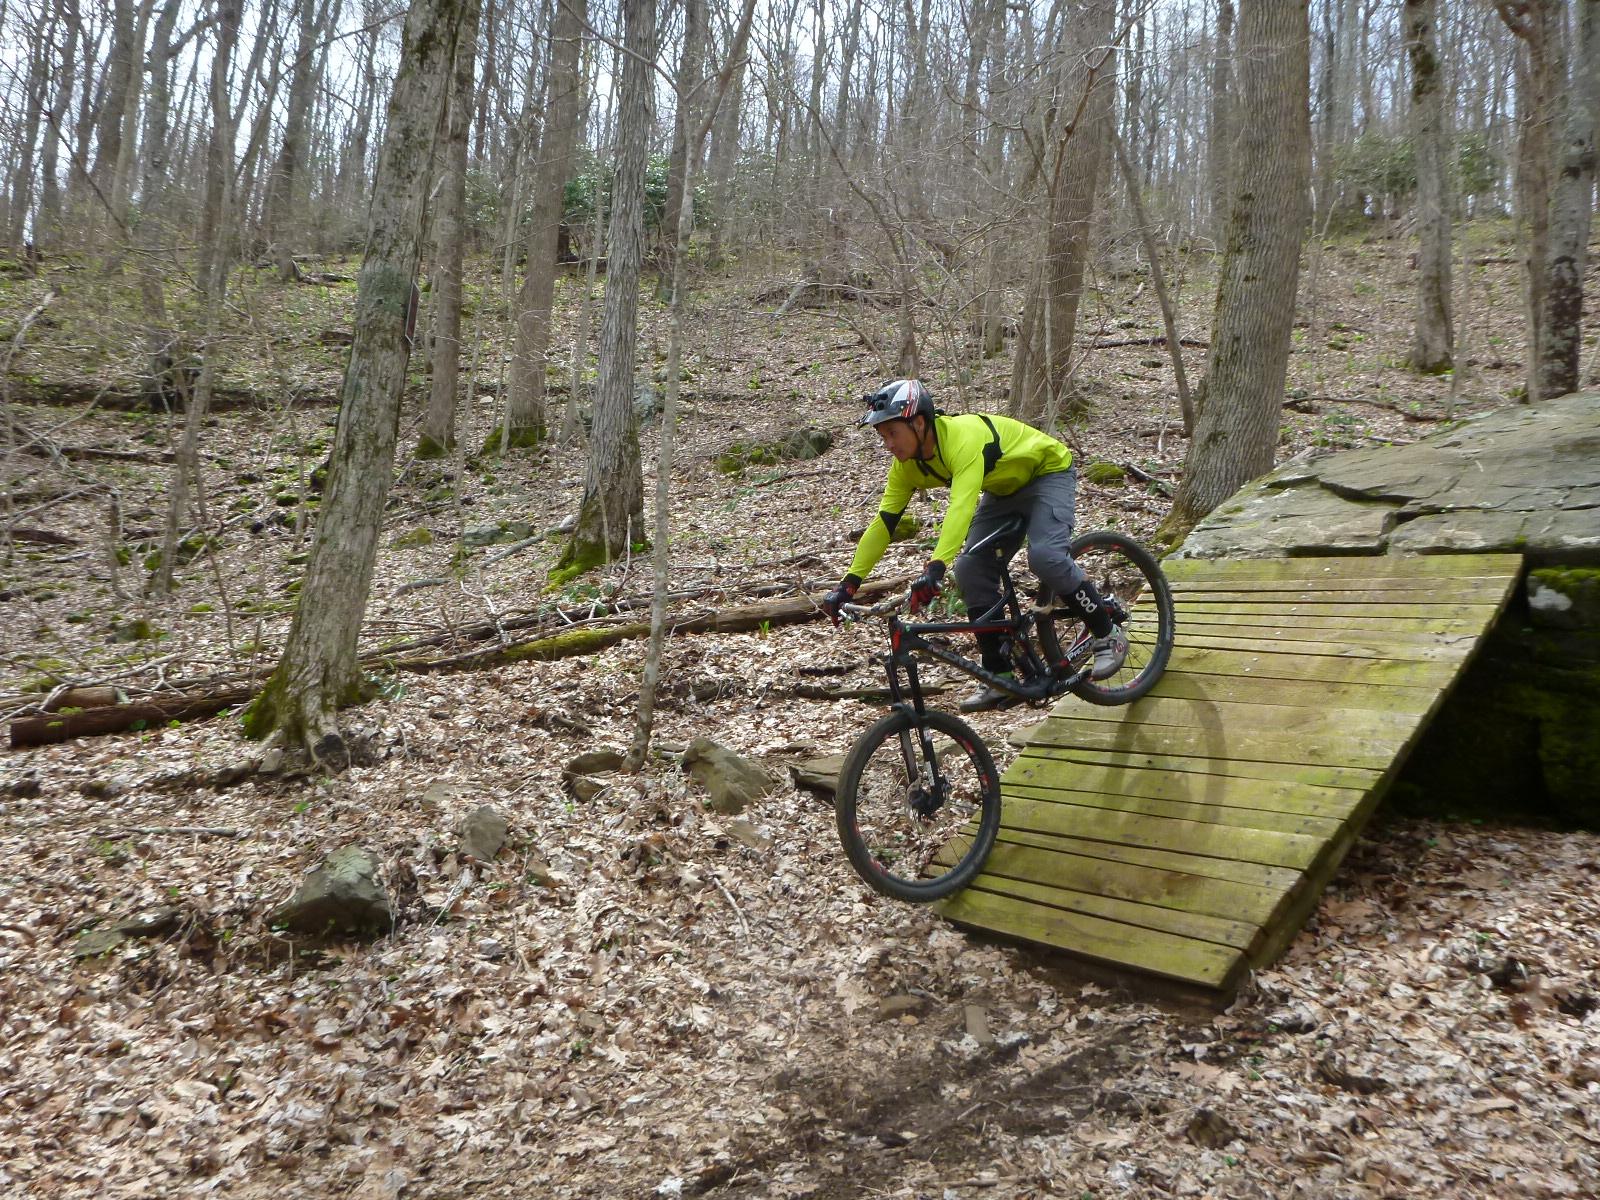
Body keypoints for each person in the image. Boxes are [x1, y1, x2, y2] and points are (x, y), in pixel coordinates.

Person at [820, 378, 1126, 712]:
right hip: (1003, 491)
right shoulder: (905, 468)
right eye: (883, 437)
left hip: (1048, 473)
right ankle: (1001, 676)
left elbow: (961, 505)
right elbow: (883, 525)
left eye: (893, 433)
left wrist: (935, 568)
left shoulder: (962, 439)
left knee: (1046, 556)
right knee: (970, 568)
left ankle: (1105, 630)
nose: (888, 444)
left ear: (919, 422)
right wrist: (848, 586)